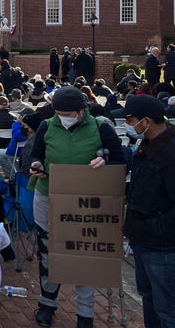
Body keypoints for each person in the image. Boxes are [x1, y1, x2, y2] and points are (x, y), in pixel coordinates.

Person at [29, 86, 126, 328]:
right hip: (49, 196)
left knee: (85, 256)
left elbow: (121, 160)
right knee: (49, 253)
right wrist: (36, 164)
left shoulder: (101, 126)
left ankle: (85, 314)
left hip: (86, 204)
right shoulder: (46, 126)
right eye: (59, 112)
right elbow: (34, 154)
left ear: (81, 111)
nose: (64, 117)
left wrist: (105, 160)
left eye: (68, 113)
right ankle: (47, 304)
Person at [122, 95, 175, 328]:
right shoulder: (146, 148)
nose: (128, 125)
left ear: (146, 121)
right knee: (150, 300)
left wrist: (153, 228)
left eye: (130, 120)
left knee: (167, 309)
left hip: (162, 247)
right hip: (142, 241)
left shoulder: (170, 153)